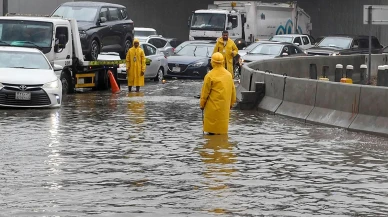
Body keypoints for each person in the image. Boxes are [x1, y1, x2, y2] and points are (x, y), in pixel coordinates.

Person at [200, 52, 236, 135]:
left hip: (211, 110)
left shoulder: (209, 76)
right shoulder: (228, 75)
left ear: (212, 62)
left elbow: (204, 93)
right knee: (222, 134)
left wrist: (202, 105)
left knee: (211, 134)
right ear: (223, 62)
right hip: (224, 110)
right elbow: (233, 92)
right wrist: (231, 104)